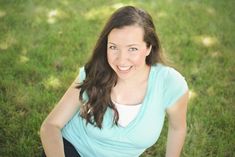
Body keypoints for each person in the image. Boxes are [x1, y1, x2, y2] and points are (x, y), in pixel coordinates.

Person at [40, 5, 189, 157]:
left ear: (149, 48)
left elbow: (177, 128)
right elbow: (51, 126)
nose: (121, 60)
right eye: (113, 47)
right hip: (73, 150)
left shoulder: (169, 84)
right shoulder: (94, 73)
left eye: (132, 49)